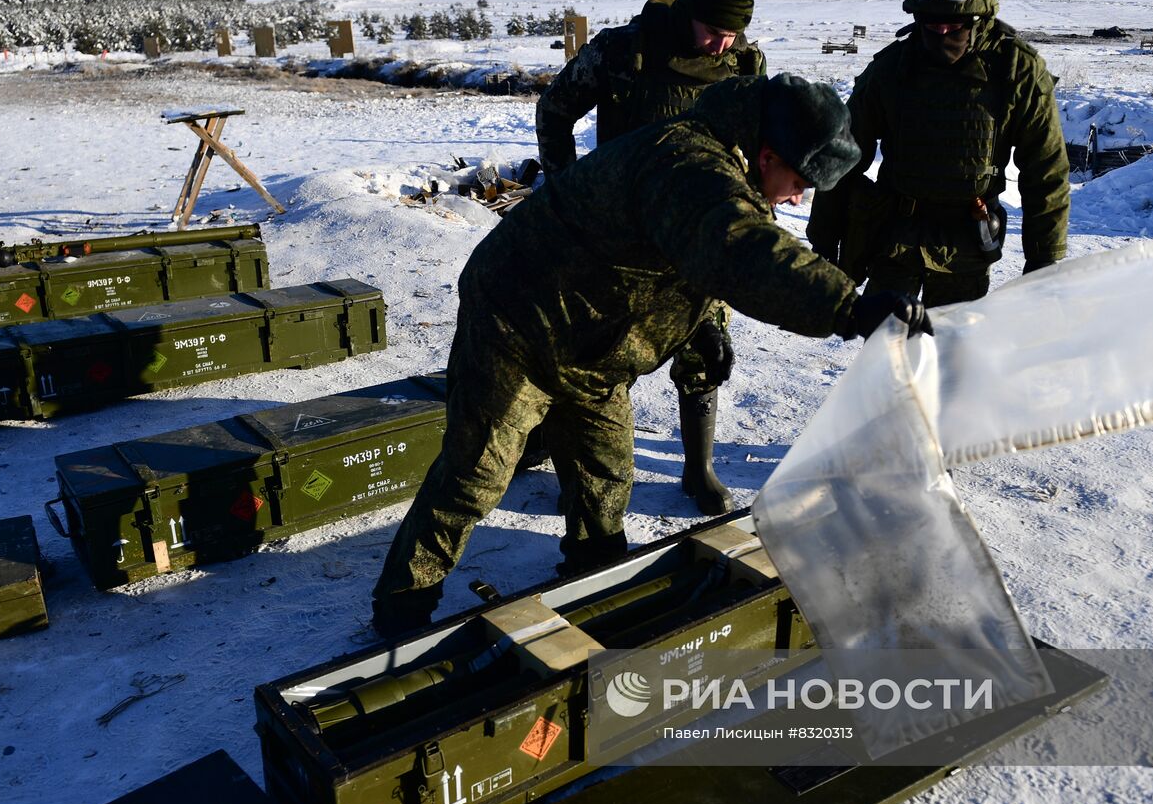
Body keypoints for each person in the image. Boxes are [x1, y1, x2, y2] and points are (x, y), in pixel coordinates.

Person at [371, 73, 932, 638]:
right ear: (769, 156)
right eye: (799, 183)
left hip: (594, 345)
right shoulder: (687, 163)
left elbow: (687, 256)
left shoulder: (729, 167)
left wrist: (701, 323)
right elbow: (734, 243)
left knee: (605, 472)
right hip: (519, 325)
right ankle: (402, 606)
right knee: (474, 476)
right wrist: (847, 308)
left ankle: (592, 578)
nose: (796, 199)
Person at [535, 0, 767, 516]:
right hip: (622, 239)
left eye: (733, 32)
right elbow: (554, 109)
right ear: (687, 12)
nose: (722, 44)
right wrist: (570, 191)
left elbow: (759, 142)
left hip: (700, 236)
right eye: (713, 30)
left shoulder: (744, 63)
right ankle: (585, 472)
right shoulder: (621, 52)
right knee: (601, 358)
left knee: (703, 352)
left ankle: (698, 468)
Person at [807, 0, 1070, 305]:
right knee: (884, 337)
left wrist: (1043, 259)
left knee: (953, 339)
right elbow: (842, 157)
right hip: (894, 238)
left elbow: (1046, 170)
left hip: (967, 242)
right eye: (931, 24)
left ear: (980, 18)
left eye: (954, 24)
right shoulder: (892, 68)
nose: (942, 31)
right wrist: (824, 241)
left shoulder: (1017, 71)